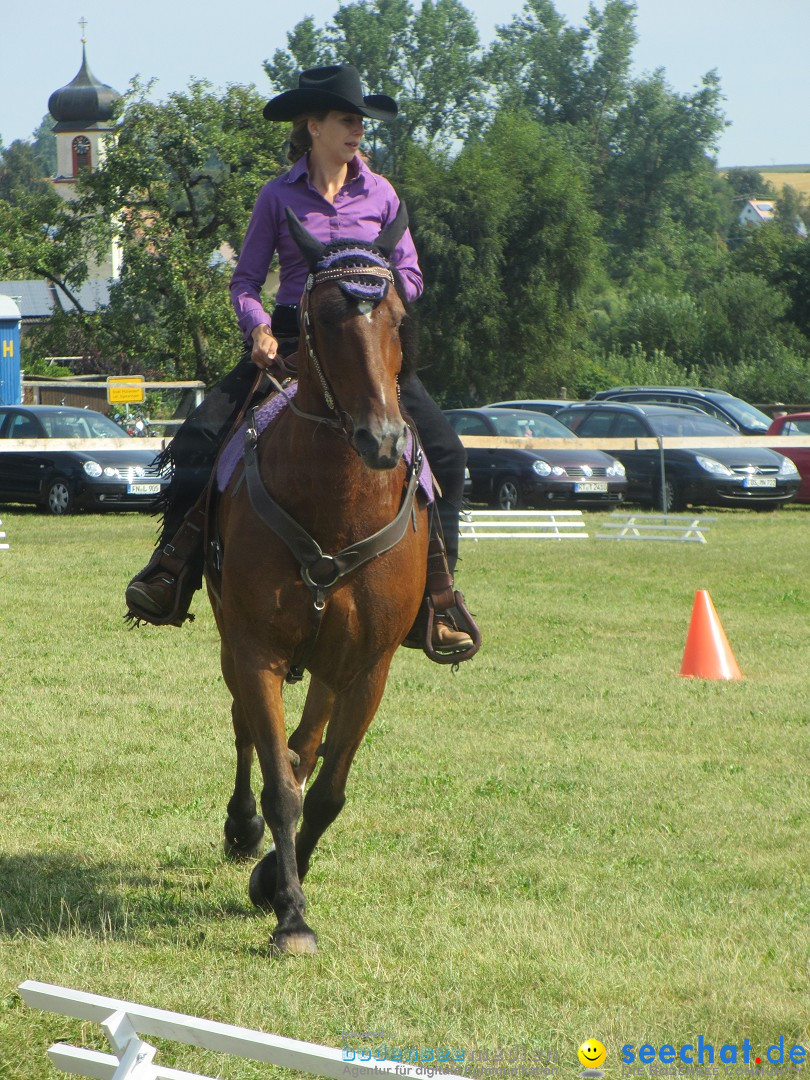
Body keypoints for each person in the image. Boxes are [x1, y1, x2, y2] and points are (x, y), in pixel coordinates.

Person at [125, 64, 473, 654]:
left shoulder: (384, 194)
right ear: (313, 126)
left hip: (368, 343)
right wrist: (257, 326)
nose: (357, 130)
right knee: (197, 440)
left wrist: (375, 302)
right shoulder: (276, 195)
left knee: (446, 452)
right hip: (291, 340)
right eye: (346, 120)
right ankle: (173, 569)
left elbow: (411, 274)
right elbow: (245, 279)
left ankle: (436, 601)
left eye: (361, 121)